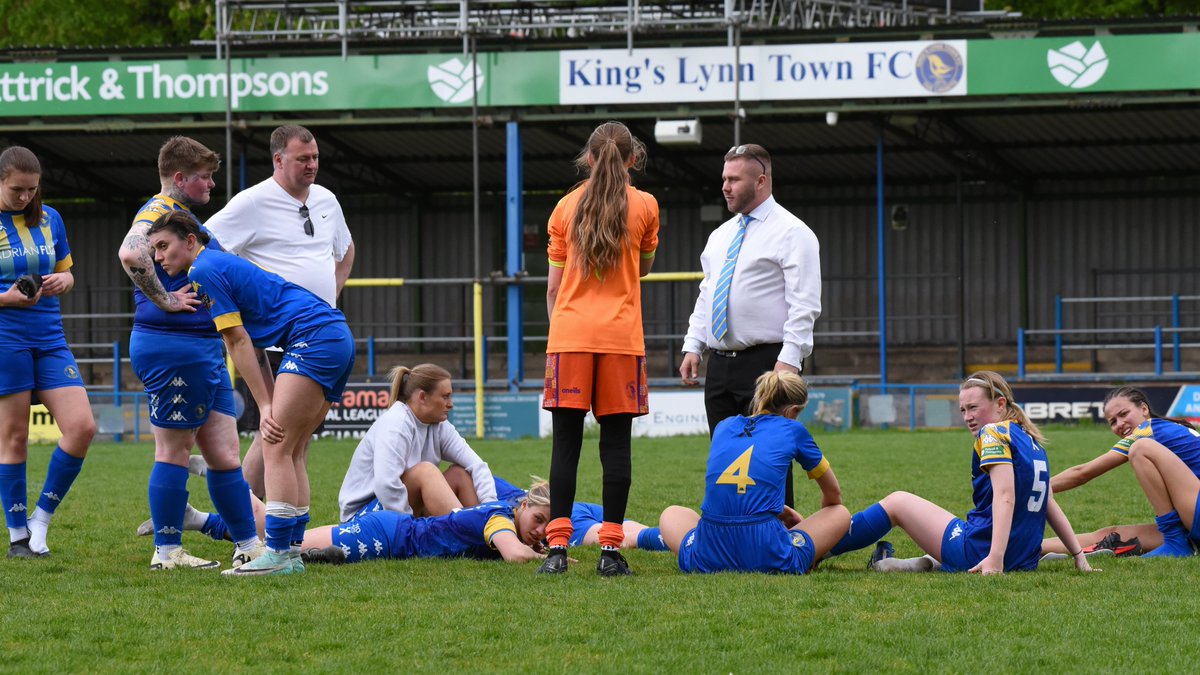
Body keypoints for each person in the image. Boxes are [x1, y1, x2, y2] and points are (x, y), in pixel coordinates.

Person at [148, 211, 355, 576]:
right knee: (292, 448)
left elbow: (236, 339)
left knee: (276, 445)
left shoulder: (203, 271)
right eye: (154, 251)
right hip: (334, 336)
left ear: (191, 241)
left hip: (315, 339)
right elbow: (255, 347)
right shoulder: (219, 263)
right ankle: (290, 553)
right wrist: (269, 400)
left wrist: (264, 405)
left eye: (164, 246)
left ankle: (276, 555)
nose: (159, 257)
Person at [117, 136, 261, 571]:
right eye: (205, 177)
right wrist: (166, 300)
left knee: (224, 454)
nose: (212, 185)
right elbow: (130, 252)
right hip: (174, 348)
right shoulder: (157, 212)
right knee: (173, 450)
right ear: (180, 178)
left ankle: (249, 545)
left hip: (202, 349)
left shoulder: (180, 218)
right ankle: (167, 552)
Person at [204, 124, 354, 500]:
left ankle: (246, 523)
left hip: (319, 332)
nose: (312, 165)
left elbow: (346, 251)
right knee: (282, 439)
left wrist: (329, 296)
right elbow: (203, 246)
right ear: (278, 159)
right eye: (303, 158)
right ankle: (265, 534)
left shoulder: (326, 199)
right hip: (279, 336)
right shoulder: (251, 202)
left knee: (287, 439)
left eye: (315, 157)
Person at [538, 121, 659, 577]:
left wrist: (564, 332)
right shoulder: (646, 205)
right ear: (632, 159)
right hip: (621, 341)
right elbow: (644, 268)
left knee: (565, 447)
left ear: (588, 159)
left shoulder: (565, 207)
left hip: (569, 338)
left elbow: (553, 289)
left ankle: (557, 552)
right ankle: (610, 550)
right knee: (616, 447)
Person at [825, 371, 1095, 574]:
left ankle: (815, 548)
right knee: (949, 524)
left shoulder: (993, 433)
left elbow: (1005, 497)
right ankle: (927, 561)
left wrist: (995, 559)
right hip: (1023, 561)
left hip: (981, 552)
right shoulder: (1031, 440)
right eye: (963, 410)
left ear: (1000, 404)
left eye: (974, 407)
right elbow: (1048, 503)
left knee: (897, 501)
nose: (967, 416)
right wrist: (1078, 555)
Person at [678, 143, 821, 509]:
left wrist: (789, 361)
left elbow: (804, 304)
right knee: (724, 455)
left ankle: (777, 532)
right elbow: (707, 293)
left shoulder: (793, 232)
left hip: (768, 362)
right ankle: (730, 531)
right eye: (723, 178)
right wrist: (694, 344)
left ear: (760, 181)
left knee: (769, 458)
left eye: (733, 179)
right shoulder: (720, 235)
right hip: (720, 364)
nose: (724, 186)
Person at [0, 146, 96, 559]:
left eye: (31, 189)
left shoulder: (50, 218)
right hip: (6, 338)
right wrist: (6, 298)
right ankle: (17, 533)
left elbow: (68, 271)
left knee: (82, 427)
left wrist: (62, 282)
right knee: (14, 436)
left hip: (51, 337)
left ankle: (41, 517)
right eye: (16, 190)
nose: (24, 197)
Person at [657, 371, 850, 574]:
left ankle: (634, 534)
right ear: (793, 411)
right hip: (768, 552)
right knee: (840, 513)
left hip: (709, 551)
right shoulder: (793, 429)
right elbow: (833, 494)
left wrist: (777, 508)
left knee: (672, 513)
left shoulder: (724, 426)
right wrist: (818, 530)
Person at [1042, 386, 1200, 558]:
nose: (1119, 424)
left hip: (1194, 514)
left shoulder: (1148, 429)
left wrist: (1035, 489)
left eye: (1124, 414)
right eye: (1113, 421)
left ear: (1144, 409)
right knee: (1111, 534)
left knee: (1140, 448)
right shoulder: (1165, 427)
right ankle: (1032, 547)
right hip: (1191, 518)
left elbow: (1082, 473)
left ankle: (1175, 542)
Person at [337, 364, 497, 522]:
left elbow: (477, 466)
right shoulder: (397, 423)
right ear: (422, 397)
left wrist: (491, 507)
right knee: (425, 472)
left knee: (459, 474)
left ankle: (489, 533)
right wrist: (412, 531)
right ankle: (466, 539)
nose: (451, 404)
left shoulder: (440, 425)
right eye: (445, 396)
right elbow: (386, 485)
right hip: (362, 517)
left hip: (399, 507)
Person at [300, 477, 550, 566]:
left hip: (395, 532)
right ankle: (259, 517)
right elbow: (515, 556)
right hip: (387, 538)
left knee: (292, 546)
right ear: (524, 505)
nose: (539, 531)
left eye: (546, 528)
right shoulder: (499, 518)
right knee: (284, 545)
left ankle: (313, 557)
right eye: (538, 519)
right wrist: (550, 558)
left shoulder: (507, 512)